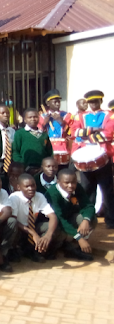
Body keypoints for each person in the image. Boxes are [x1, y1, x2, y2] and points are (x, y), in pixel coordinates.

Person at [69, 90, 114, 228]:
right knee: (88, 190)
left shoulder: (109, 115)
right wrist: (94, 130)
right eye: (90, 102)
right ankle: (88, 218)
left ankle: (110, 220)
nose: (93, 104)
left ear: (100, 101)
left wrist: (86, 134)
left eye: (96, 101)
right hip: (85, 158)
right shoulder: (81, 116)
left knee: (107, 191)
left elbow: (109, 134)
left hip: (103, 157)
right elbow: (74, 133)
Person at [8, 174, 63, 262]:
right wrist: (33, 233)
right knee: (13, 225)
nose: (31, 188)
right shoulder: (14, 198)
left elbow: (52, 216)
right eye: (27, 186)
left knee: (52, 227)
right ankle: (14, 250)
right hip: (20, 229)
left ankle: (38, 251)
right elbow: (14, 220)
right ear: (19, 187)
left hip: (33, 227)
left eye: (33, 185)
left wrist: (48, 235)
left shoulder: (39, 196)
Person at [45, 169, 95, 261]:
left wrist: (86, 220)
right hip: (55, 222)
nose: (71, 185)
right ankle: (53, 248)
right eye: (66, 183)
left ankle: (75, 248)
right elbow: (60, 219)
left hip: (70, 217)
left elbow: (88, 206)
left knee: (91, 219)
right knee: (58, 229)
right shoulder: (52, 194)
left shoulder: (77, 188)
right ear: (58, 182)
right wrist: (79, 237)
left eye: (73, 182)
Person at [12, 109, 53, 175]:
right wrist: (23, 166)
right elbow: (15, 152)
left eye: (35, 117)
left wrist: (44, 167)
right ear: (25, 120)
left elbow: (49, 153)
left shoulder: (44, 135)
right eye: (30, 117)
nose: (33, 119)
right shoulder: (20, 133)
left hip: (41, 169)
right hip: (25, 169)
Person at [39, 89, 72, 168]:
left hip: (63, 148)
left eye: (59, 102)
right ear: (48, 103)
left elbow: (71, 132)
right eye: (55, 102)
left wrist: (62, 121)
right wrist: (44, 123)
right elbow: (39, 133)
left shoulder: (67, 115)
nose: (57, 104)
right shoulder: (42, 116)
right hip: (48, 148)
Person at [0, 104, 16, 184]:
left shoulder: (11, 131)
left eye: (7, 113)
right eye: (2, 113)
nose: (6, 115)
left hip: (9, 161)